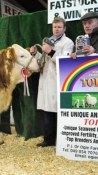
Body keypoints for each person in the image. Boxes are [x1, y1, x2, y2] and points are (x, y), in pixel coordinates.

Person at [30, 17, 74, 147]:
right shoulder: (48, 41)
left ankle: (62, 141)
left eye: (59, 27)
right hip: (46, 80)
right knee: (47, 111)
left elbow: (65, 61)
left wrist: (51, 51)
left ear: (64, 28)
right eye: (55, 27)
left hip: (58, 81)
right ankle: (48, 140)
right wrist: (36, 54)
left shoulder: (68, 42)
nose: (57, 29)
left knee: (58, 112)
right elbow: (43, 61)